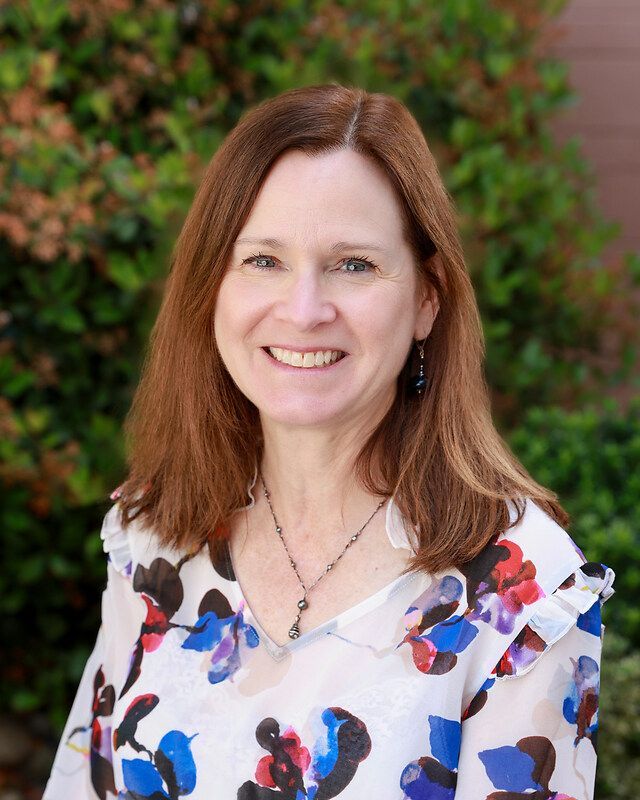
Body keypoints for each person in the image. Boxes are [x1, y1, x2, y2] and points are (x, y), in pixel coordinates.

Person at [43, 83, 615, 800]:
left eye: (354, 264)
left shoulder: (519, 597)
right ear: (211, 288)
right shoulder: (154, 534)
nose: (305, 311)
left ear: (427, 298)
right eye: (262, 261)